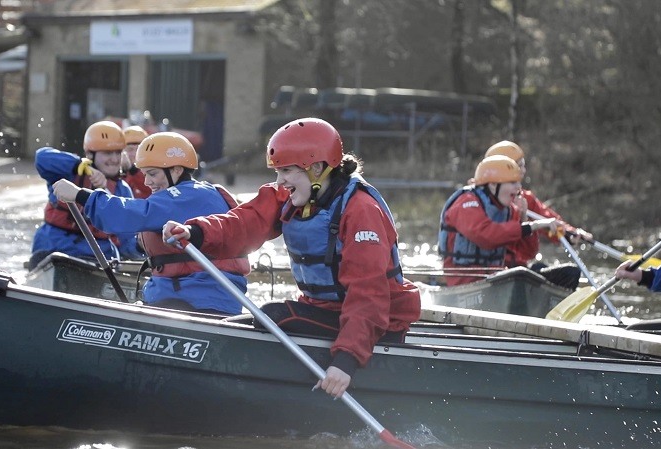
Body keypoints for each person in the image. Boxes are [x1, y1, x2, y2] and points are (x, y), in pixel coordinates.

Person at [162, 117, 421, 398]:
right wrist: (196, 232)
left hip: (376, 325)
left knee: (273, 315)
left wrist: (346, 361)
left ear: (317, 169)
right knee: (261, 318)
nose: (279, 181)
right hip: (327, 311)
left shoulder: (361, 211)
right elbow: (244, 222)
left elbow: (367, 294)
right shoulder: (296, 194)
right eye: (277, 172)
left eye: (286, 171)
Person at [51, 131, 249, 316]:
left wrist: (81, 195)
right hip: (187, 296)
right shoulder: (198, 193)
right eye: (145, 174)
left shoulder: (186, 197)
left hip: (199, 301)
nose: (147, 182)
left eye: (152, 174)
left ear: (177, 170)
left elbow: (129, 213)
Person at [29, 120, 140, 269]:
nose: (114, 159)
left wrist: (140, 245)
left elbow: (126, 241)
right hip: (52, 247)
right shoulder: (68, 172)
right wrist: (79, 166)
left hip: (94, 258)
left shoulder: (122, 191)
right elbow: (41, 157)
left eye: (118, 152)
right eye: (107, 153)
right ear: (89, 154)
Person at [438, 155, 563, 286]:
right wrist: (533, 226)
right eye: (513, 182)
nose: (519, 187)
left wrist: (524, 217)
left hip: (494, 279)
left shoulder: (508, 210)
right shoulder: (467, 203)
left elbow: (528, 253)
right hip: (463, 282)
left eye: (519, 182)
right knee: (519, 276)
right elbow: (486, 236)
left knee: (567, 273)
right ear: (492, 184)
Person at [484, 140, 591, 289]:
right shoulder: (479, 201)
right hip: (492, 274)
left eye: (523, 165)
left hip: (519, 270)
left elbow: (547, 218)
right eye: (518, 166)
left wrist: (570, 233)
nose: (523, 171)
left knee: (568, 273)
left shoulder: (525, 199)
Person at [121, 125, 150, 199]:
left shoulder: (153, 170)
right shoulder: (113, 170)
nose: (134, 154)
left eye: (138, 149)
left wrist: (132, 170)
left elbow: (149, 188)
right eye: (130, 149)